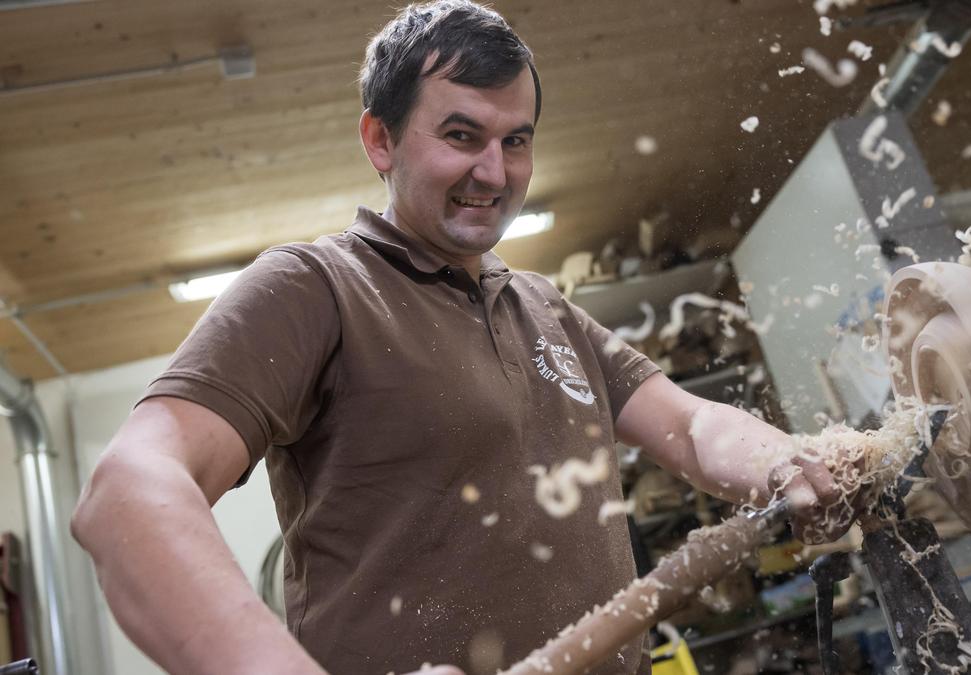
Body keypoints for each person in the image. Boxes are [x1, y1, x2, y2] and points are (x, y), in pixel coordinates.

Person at [70, 2, 856, 674]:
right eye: (461, 134)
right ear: (380, 140)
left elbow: (690, 422)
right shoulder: (315, 288)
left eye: (515, 141)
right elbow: (128, 493)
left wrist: (780, 461)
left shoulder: (543, 307)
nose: (494, 170)